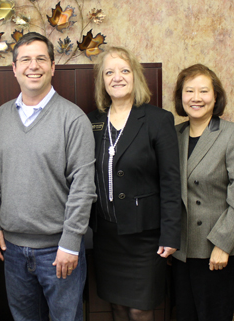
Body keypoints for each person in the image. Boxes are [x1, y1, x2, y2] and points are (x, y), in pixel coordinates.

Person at [0, 32, 96, 321]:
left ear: (53, 67)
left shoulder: (73, 119)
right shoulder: (1, 117)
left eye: (41, 59)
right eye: (26, 60)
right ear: (14, 68)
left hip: (60, 251)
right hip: (12, 250)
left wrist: (71, 242)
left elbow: (83, 188)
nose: (33, 66)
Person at [87, 46, 181, 321]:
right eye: (109, 72)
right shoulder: (92, 121)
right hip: (106, 236)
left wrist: (171, 234)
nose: (117, 77)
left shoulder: (157, 120)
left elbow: (171, 181)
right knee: (116, 306)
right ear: (102, 81)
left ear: (136, 77)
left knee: (141, 309)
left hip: (146, 237)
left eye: (124, 71)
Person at [171, 64, 234, 321]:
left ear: (215, 97)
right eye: (189, 91)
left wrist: (223, 245)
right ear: (180, 96)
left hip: (216, 249)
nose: (196, 98)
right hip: (182, 250)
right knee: (185, 315)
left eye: (204, 91)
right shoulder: (174, 134)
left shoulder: (233, 134)